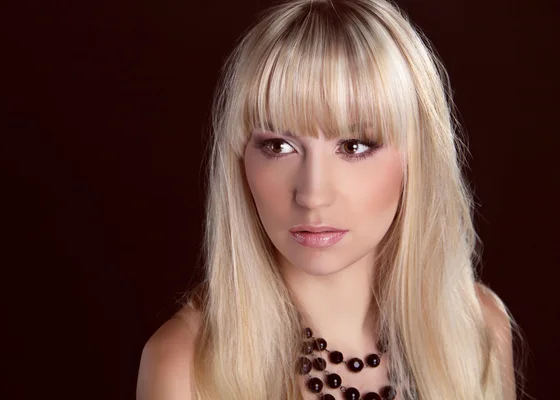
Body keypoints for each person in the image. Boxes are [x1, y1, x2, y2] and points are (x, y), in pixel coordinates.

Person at [136, 0, 527, 399]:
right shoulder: (184, 368)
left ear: (417, 158)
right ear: (240, 161)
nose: (312, 195)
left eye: (354, 145)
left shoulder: (477, 332)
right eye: (278, 145)